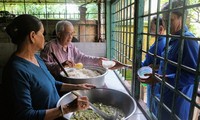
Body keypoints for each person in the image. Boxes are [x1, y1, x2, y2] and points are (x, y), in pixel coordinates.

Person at [1, 14, 96, 120]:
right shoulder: (16, 71)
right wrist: (68, 108)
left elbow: (52, 83)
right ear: (33, 36)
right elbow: (25, 115)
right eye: (42, 33)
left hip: (58, 112)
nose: (44, 37)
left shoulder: (37, 58)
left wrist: (78, 86)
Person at [139, 0, 199, 120]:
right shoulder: (171, 40)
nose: (166, 24)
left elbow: (192, 75)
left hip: (176, 104)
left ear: (181, 18)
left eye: (170, 20)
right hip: (163, 98)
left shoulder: (188, 41)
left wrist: (161, 78)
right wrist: (156, 69)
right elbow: (171, 65)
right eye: (165, 20)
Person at [40, 20, 130, 79]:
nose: (71, 37)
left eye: (72, 34)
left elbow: (81, 57)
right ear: (59, 34)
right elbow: (42, 66)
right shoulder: (50, 47)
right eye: (68, 34)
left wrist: (98, 60)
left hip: (71, 79)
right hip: (58, 82)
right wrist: (60, 65)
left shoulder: (71, 46)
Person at [141, 16, 166, 108]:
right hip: (155, 82)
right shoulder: (162, 42)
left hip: (155, 82)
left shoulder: (160, 45)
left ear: (160, 29)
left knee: (153, 107)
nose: (149, 31)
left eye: (151, 28)